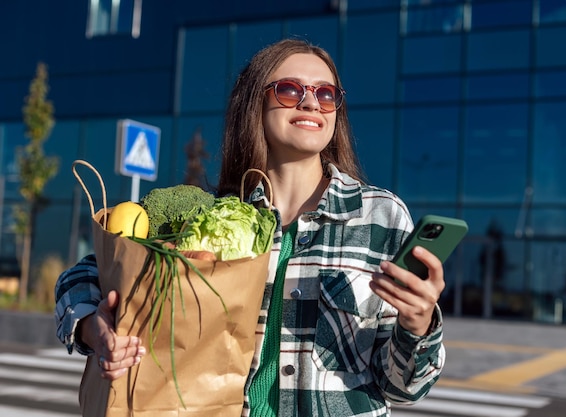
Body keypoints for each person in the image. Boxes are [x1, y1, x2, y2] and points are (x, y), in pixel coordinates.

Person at [55, 38, 446, 417]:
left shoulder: (382, 217)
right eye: (290, 90)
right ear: (253, 104)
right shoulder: (214, 216)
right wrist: (93, 328)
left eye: (326, 94)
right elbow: (85, 274)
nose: (312, 102)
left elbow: (403, 388)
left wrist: (418, 324)